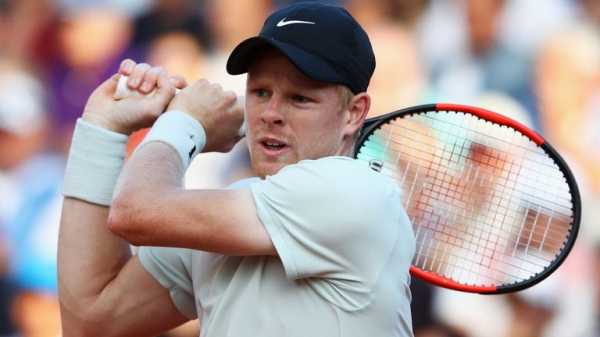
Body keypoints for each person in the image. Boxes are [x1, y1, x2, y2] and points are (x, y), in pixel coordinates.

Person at [58, 3, 415, 337]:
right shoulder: (233, 210)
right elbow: (90, 319)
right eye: (260, 92)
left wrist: (183, 124)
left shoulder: (354, 191)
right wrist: (102, 130)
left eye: (299, 98)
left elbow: (134, 211)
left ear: (354, 113)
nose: (270, 113)